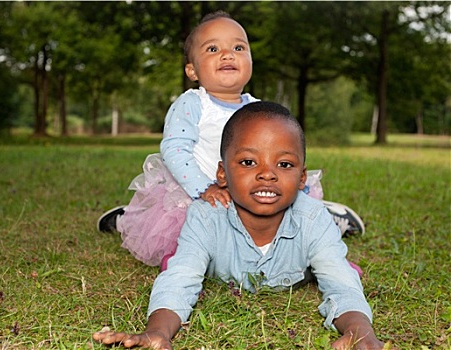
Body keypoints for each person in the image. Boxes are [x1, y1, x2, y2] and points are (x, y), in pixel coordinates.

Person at [92, 101, 384, 350]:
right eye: (248, 162)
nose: (267, 174)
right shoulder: (206, 216)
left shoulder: (312, 218)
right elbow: (180, 279)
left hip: (301, 265)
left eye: (283, 165)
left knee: (340, 270)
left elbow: (340, 285)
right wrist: (158, 330)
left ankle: (338, 245)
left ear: (302, 177)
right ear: (222, 173)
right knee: (177, 263)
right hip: (214, 253)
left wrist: (360, 329)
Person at [97, 11, 365, 271]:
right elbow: (175, 149)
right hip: (205, 195)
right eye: (212, 49)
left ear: (250, 60)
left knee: (293, 219)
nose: (227, 54)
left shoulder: (259, 110)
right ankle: (148, 236)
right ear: (192, 70)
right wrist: (205, 188)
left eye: (238, 48)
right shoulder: (192, 104)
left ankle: (329, 255)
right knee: (194, 231)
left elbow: (282, 152)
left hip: (253, 191)